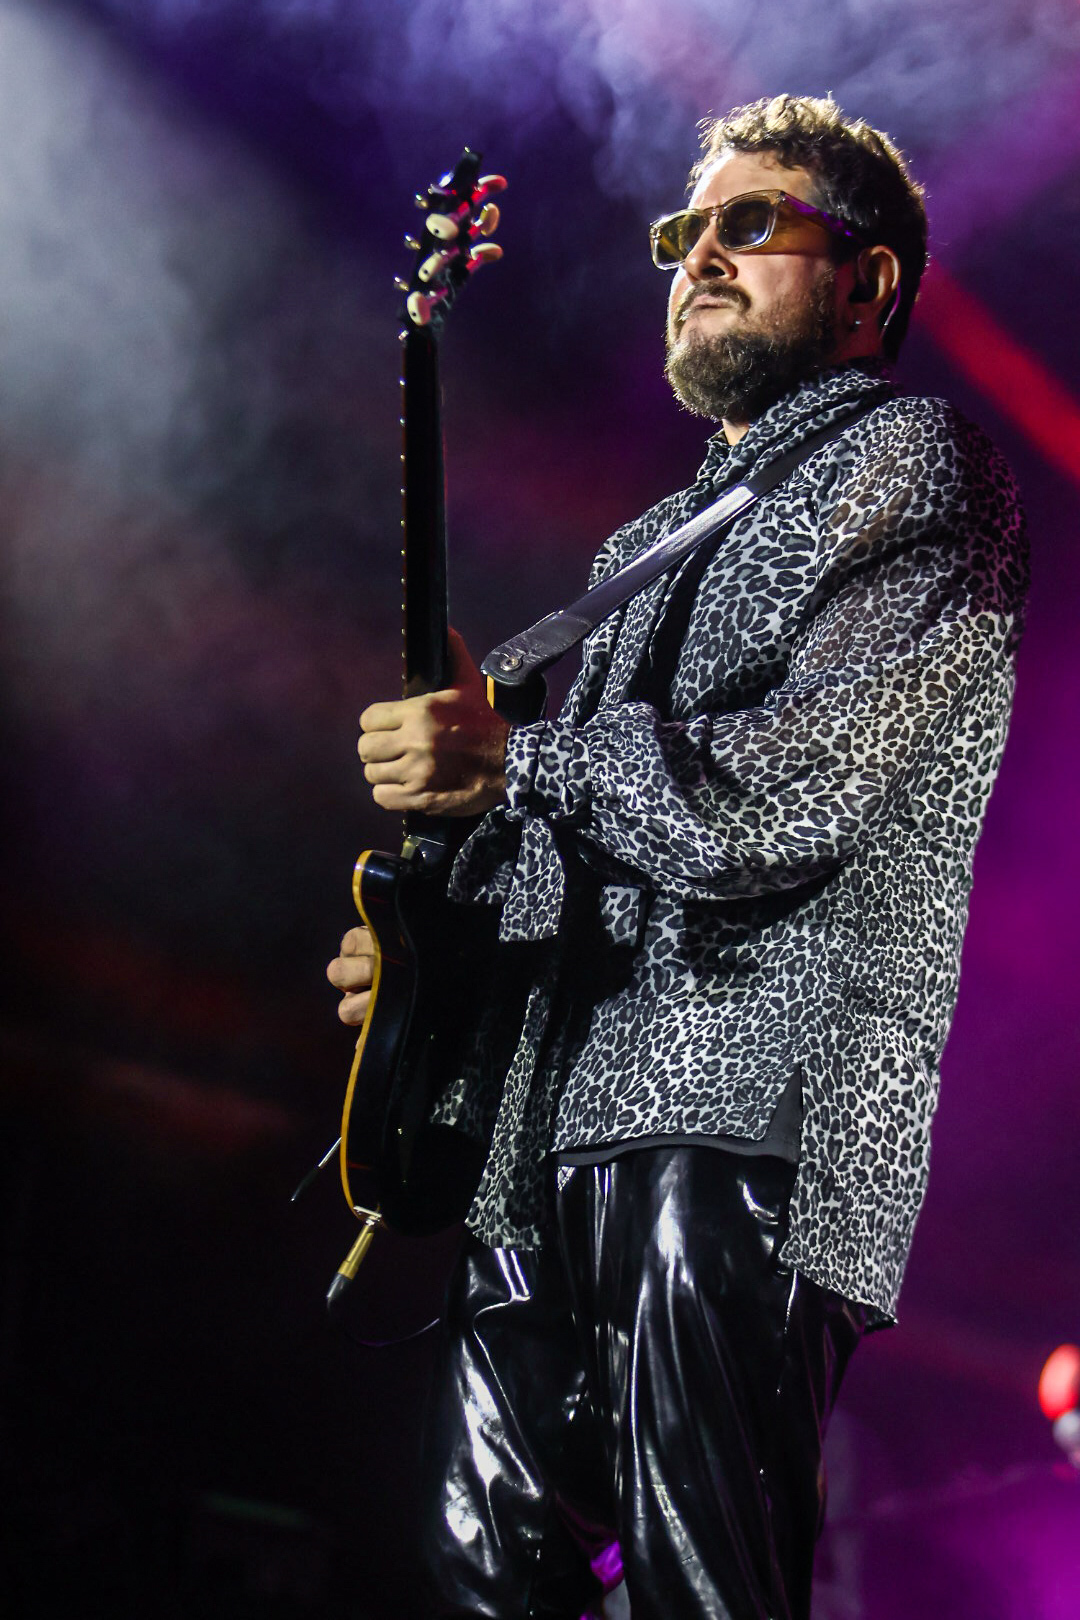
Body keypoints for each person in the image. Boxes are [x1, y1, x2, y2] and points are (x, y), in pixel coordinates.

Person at [327, 94, 1027, 1620]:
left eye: (750, 223)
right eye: (683, 232)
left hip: (752, 1118)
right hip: (545, 1134)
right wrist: (442, 960)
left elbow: (792, 793)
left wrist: (512, 759)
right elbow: (587, 851)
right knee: (477, 1571)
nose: (699, 256)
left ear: (869, 280)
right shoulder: (636, 553)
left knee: (703, 1579)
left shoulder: (916, 464)